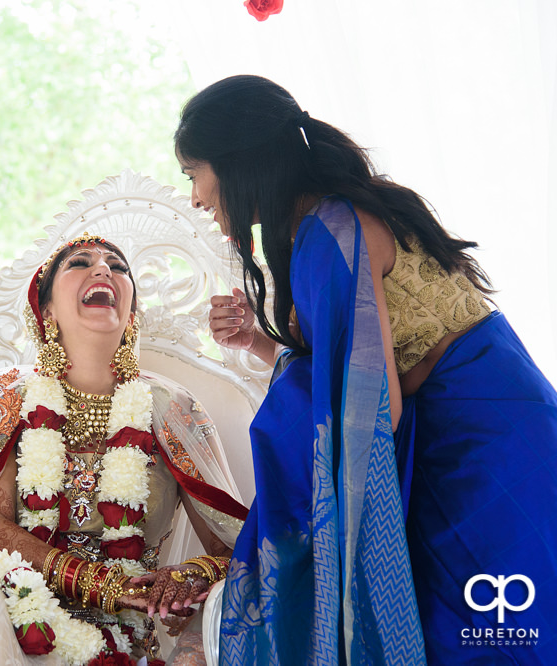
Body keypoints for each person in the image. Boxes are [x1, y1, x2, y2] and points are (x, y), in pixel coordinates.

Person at [173, 74, 557, 664]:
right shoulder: (333, 216)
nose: (196, 196)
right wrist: (259, 342)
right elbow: (362, 375)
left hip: (482, 443)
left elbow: (369, 405)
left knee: (495, 637)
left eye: (193, 173)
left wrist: (324, 562)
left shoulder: (330, 230)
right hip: (489, 421)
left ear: (237, 161)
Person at [0, 233, 249, 665]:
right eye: (80, 263)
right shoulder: (7, 399)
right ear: (46, 310)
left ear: (131, 316)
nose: (104, 269)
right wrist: (100, 583)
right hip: (13, 619)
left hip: (123, 637)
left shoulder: (172, 410)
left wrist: (188, 576)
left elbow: (236, 547)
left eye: (118, 267)